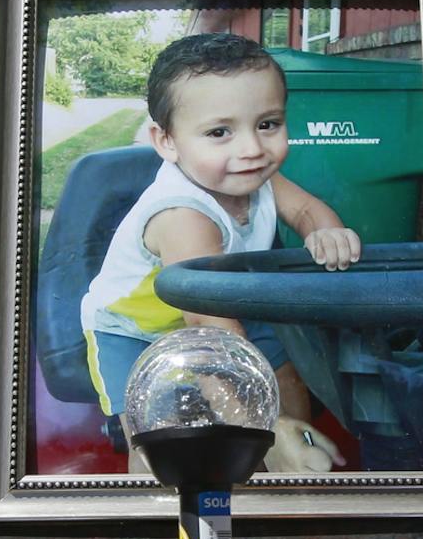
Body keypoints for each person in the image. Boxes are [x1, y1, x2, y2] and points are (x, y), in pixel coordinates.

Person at [81, 32, 361, 473]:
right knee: (154, 429)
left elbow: (306, 209)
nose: (251, 149)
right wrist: (262, 421)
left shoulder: (256, 179)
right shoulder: (183, 216)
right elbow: (211, 337)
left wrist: (326, 231)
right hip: (137, 331)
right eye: (219, 132)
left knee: (285, 377)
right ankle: (154, 507)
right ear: (166, 141)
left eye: (267, 124)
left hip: (222, 308)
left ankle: (293, 466)